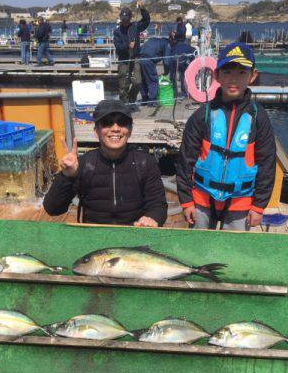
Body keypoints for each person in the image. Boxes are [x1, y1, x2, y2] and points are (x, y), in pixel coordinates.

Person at [176, 42, 276, 231]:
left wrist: (259, 206)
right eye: (227, 72)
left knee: (233, 252)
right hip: (202, 197)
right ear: (217, 76)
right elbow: (185, 161)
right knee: (197, 247)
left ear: (253, 76)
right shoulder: (202, 115)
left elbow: (267, 164)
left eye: (241, 73)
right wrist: (186, 201)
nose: (233, 79)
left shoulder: (258, 117)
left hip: (241, 200)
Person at [43, 99, 167, 226]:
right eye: (107, 123)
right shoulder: (84, 164)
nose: (115, 128)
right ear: (96, 131)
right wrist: (67, 177)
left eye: (122, 122)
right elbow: (52, 208)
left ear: (130, 130)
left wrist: (152, 218)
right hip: (94, 237)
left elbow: (158, 205)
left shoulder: (145, 162)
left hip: (135, 232)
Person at [113, 0, 150, 104]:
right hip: (123, 59)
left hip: (135, 57)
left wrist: (142, 8)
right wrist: (127, 45)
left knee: (138, 82)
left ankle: (131, 99)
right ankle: (123, 104)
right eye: (123, 19)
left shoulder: (136, 27)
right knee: (123, 85)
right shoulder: (117, 31)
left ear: (130, 18)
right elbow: (118, 47)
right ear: (120, 18)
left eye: (127, 19)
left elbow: (146, 21)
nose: (125, 21)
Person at [139, 37, 170, 105]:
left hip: (140, 59)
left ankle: (144, 99)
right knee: (153, 80)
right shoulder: (167, 44)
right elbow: (167, 61)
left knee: (143, 80)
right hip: (149, 60)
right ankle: (152, 101)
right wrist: (166, 72)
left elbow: (141, 48)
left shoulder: (152, 39)